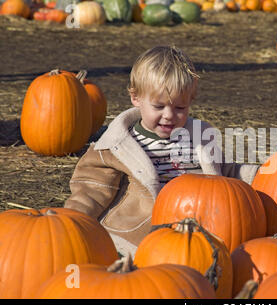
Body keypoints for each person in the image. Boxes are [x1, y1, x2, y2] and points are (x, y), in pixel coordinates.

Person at [64, 46, 260, 257]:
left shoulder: (199, 139)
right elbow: (92, 190)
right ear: (136, 98)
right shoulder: (118, 146)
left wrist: (262, 175)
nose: (169, 116)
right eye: (158, 106)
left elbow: (228, 172)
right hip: (139, 236)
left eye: (179, 108)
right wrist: (71, 221)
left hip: (200, 232)